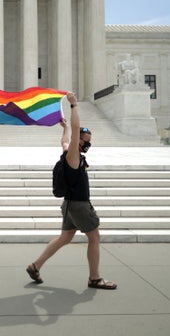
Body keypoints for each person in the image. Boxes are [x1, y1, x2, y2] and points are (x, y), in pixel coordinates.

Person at [26, 92, 117, 290]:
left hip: (69, 205)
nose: (88, 144)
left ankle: (35, 266)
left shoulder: (68, 153)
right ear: (80, 142)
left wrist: (65, 127)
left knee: (65, 237)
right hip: (79, 205)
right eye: (86, 140)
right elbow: (75, 132)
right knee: (94, 237)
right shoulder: (73, 157)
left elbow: (64, 141)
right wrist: (74, 105)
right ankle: (95, 278)